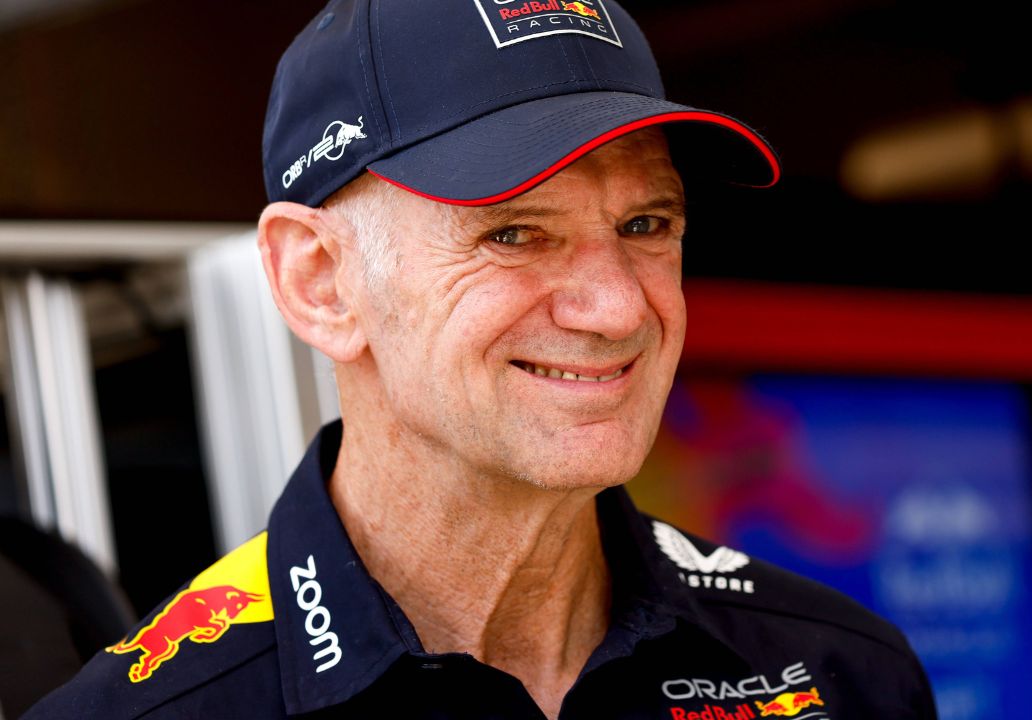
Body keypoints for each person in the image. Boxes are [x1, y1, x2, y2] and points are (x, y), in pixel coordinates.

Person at [25, 1, 936, 718]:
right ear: (320, 283)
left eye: (646, 224)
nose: (618, 306)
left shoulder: (836, 674)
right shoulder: (155, 712)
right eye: (514, 233)